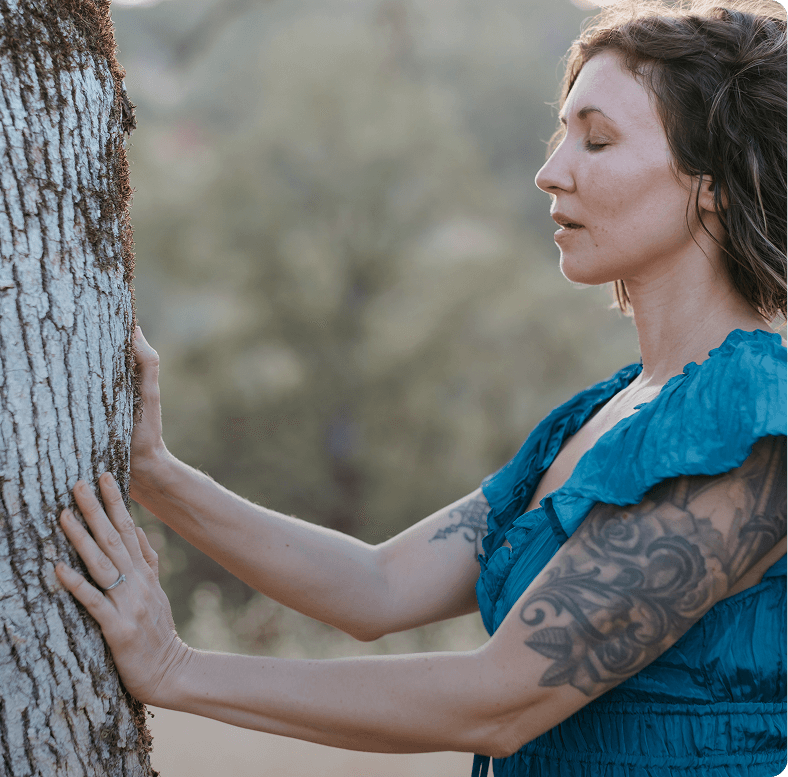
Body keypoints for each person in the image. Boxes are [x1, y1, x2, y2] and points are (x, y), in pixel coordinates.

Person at [54, 1, 787, 774]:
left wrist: (178, 668)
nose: (551, 171)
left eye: (597, 140)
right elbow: (377, 586)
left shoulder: (749, 419)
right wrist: (154, 471)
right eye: (562, 133)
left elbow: (497, 700)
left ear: (715, 182)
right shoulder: (601, 413)